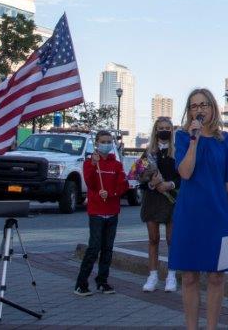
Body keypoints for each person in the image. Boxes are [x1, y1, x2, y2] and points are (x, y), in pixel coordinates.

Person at [170, 89, 228, 330]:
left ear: (213, 108)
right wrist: (194, 140)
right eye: (194, 106)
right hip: (189, 214)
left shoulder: (227, 141)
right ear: (189, 111)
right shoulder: (183, 137)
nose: (199, 110)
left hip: (217, 214)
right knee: (189, 276)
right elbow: (185, 173)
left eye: (204, 105)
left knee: (216, 275)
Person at [73, 129, 128, 296]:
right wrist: (92, 164)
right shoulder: (89, 163)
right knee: (94, 247)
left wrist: (111, 194)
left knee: (107, 249)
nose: (106, 144)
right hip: (96, 212)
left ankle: (102, 281)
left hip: (112, 212)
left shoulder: (116, 164)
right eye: (103, 142)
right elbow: (90, 183)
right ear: (96, 143)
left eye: (109, 142)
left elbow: (123, 185)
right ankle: (81, 283)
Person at [139, 116, 180, 293]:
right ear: (155, 130)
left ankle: (171, 275)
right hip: (152, 200)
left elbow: (183, 177)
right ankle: (152, 276)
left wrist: (170, 184)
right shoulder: (148, 153)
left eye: (167, 128)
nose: (164, 131)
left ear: (172, 131)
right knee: (153, 239)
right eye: (161, 128)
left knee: (172, 240)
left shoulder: (177, 152)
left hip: (171, 200)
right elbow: (139, 177)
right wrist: (151, 183)